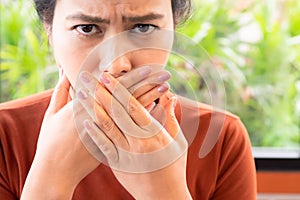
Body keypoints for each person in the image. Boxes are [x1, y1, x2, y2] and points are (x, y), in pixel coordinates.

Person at [0, 0, 257, 199]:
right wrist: (48, 179)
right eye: (87, 28)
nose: (116, 64)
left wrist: (166, 193)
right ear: (50, 33)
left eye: (143, 28)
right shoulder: (5, 135)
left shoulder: (222, 138)